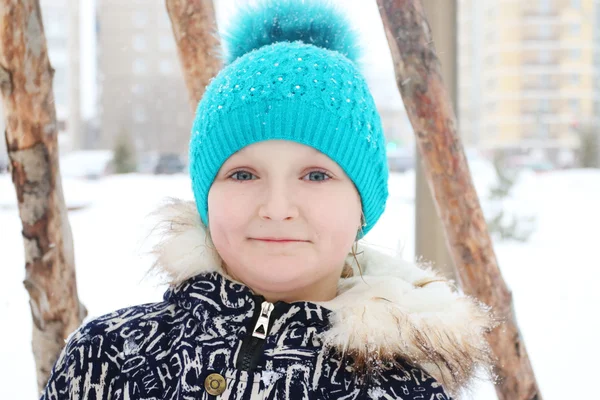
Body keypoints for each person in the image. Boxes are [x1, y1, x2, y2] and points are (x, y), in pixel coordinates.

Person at [41, 1, 493, 398]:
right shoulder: (108, 359)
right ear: (206, 199)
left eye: (316, 175)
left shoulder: (406, 389)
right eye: (242, 174)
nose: (277, 207)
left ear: (363, 206)